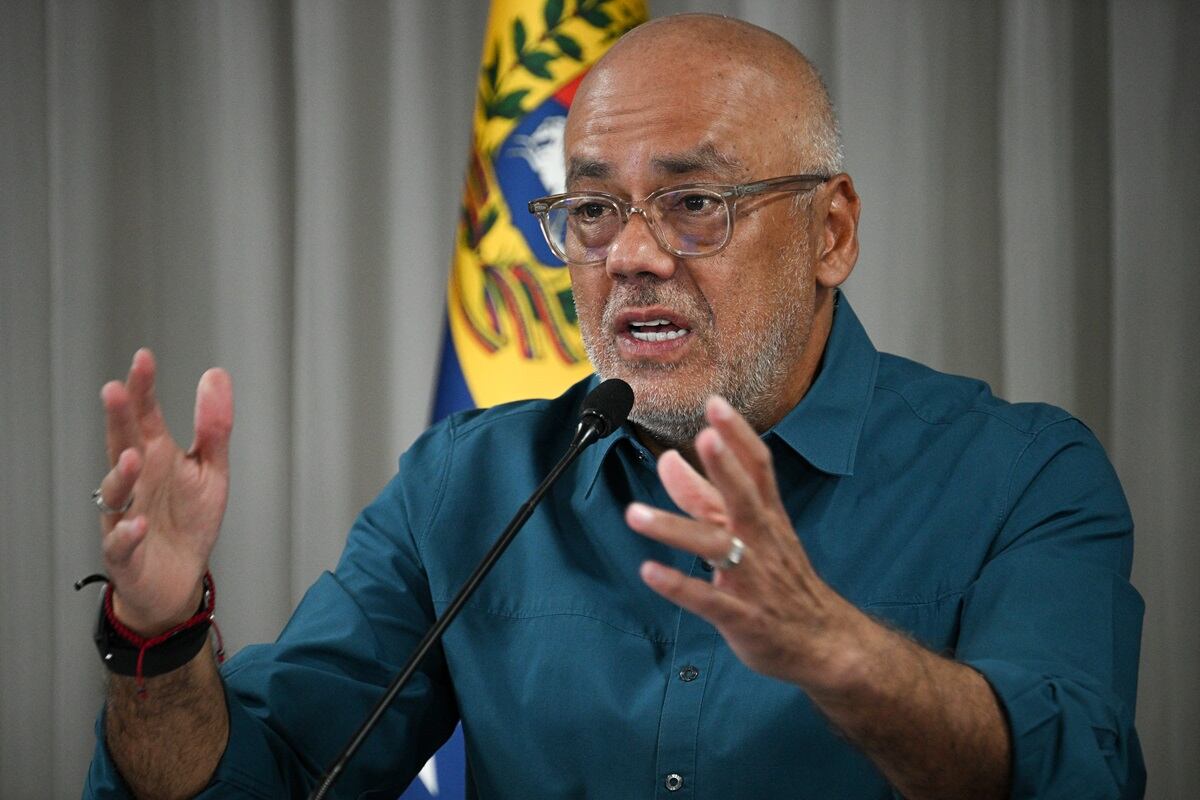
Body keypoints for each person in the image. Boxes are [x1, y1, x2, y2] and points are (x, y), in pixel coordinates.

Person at [84, 14, 1144, 799]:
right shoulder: (468, 486)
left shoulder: (1022, 476)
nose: (630, 255)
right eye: (593, 209)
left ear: (831, 233)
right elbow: (263, 779)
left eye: (694, 203)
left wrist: (839, 653)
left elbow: (1078, 774)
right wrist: (160, 637)